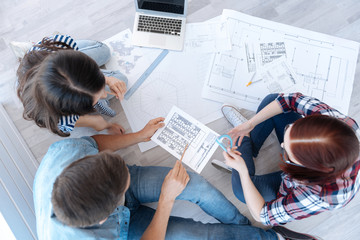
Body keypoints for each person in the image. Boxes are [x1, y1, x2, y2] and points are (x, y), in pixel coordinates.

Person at [33, 117, 317, 240]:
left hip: (101, 189)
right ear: (102, 219)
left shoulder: (66, 153)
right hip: (127, 233)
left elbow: (95, 144)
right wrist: (167, 199)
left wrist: (140, 136)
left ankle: (242, 223)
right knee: (201, 235)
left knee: (197, 186)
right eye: (125, 189)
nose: (129, 183)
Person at [212, 92, 360, 226]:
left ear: (306, 168)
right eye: (291, 128)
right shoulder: (341, 124)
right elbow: (289, 100)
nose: (282, 145)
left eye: (288, 153)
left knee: (240, 189)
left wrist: (243, 172)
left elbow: (262, 215)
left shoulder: (321, 194)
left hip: (292, 186)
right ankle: (246, 137)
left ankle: (244, 145)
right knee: (272, 100)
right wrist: (250, 124)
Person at [16, 34, 127, 136]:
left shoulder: (60, 45)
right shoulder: (61, 119)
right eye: (97, 97)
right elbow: (96, 121)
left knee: (104, 50)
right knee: (122, 81)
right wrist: (107, 125)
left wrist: (104, 80)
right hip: (42, 72)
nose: (104, 95)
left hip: (56, 56)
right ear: (74, 109)